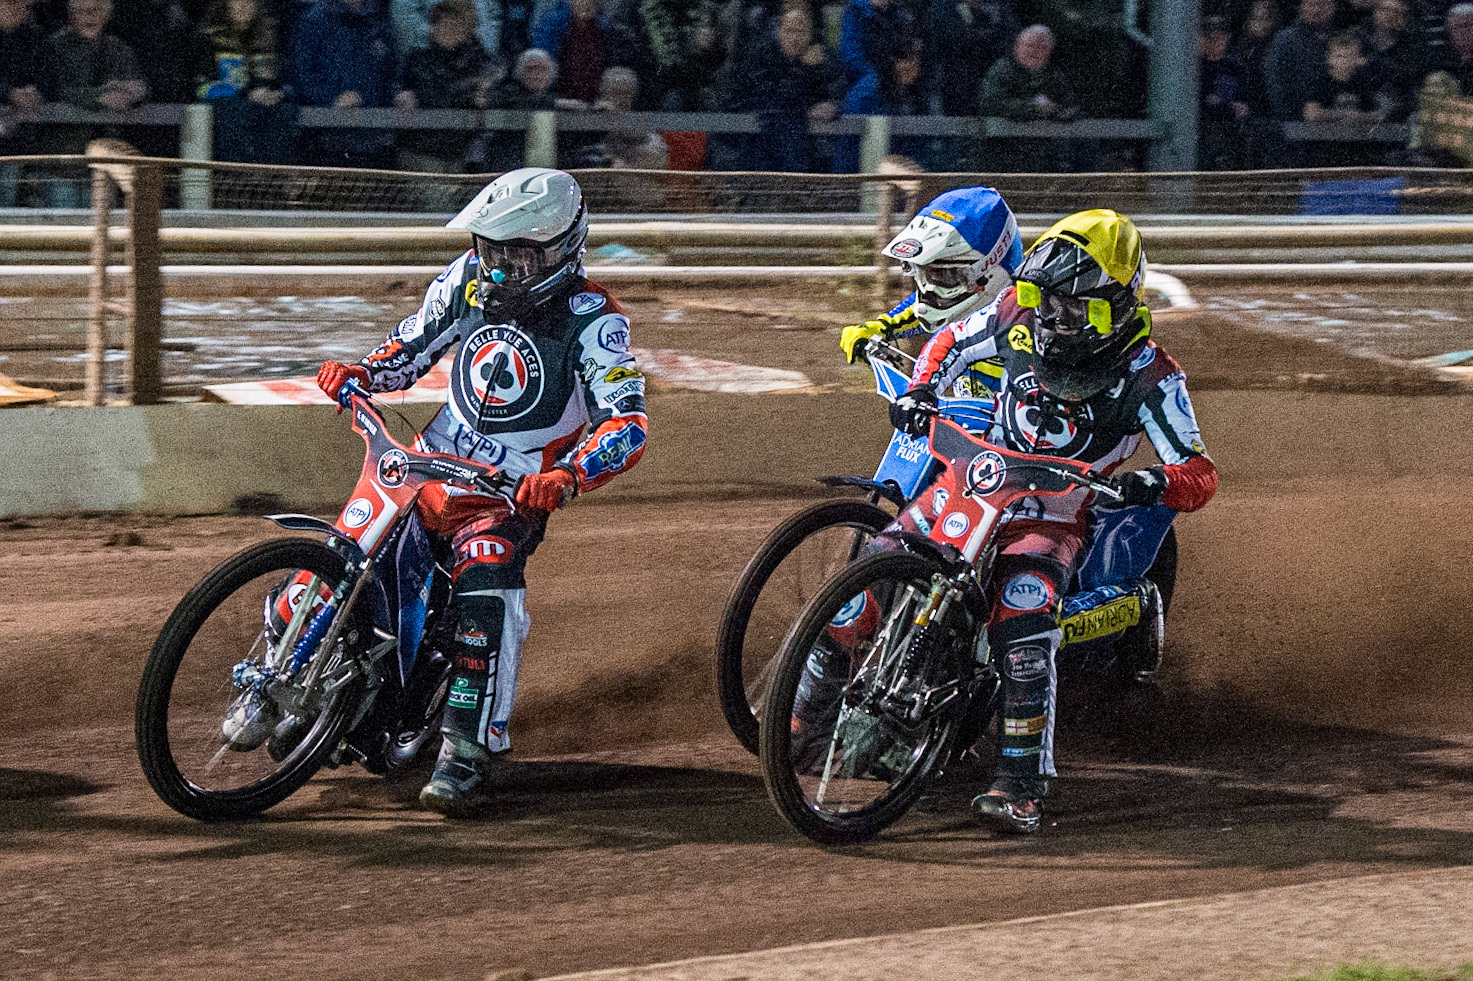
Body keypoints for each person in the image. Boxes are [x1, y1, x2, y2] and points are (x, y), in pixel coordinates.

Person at [314, 168, 648, 816]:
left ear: (557, 251)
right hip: (430, 460)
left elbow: (627, 422)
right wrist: (364, 370)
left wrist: (569, 473)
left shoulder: (594, 321)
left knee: (487, 582)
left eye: (516, 255)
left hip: (509, 489)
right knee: (353, 550)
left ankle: (468, 750)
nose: (497, 270)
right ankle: (321, 674)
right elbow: (411, 347)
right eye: (491, 250)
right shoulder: (464, 279)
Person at [888, 209, 1218, 834]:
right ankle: (803, 710)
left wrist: (1152, 481)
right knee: (881, 559)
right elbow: (950, 341)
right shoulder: (1015, 311)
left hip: (1056, 518)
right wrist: (922, 390)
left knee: (1023, 625)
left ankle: (1020, 786)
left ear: (1121, 305)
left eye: (1077, 309)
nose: (1054, 320)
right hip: (975, 482)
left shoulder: (1153, 376)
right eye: (1045, 300)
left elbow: (1200, 472)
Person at [837, 185, 1023, 396]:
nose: (929, 288)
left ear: (990, 269)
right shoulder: (964, 315)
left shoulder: (1036, 321)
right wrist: (878, 328)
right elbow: (921, 309)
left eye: (944, 276)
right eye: (924, 273)